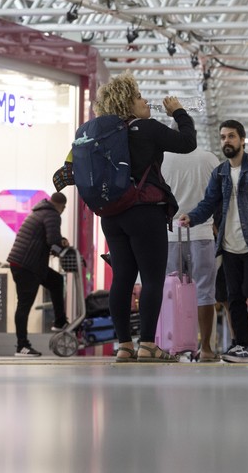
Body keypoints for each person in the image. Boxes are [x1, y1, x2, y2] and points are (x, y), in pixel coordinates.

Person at [92, 73, 197, 363]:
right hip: (144, 212)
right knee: (152, 279)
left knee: (122, 279)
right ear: (128, 103)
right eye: (139, 97)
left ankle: (124, 345)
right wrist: (178, 111)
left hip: (112, 215)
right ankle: (148, 344)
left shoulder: (104, 134)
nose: (145, 101)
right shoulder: (147, 128)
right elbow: (188, 142)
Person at [180, 120, 248, 364]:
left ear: (242, 140)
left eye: (231, 136)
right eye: (222, 137)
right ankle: (243, 347)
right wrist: (193, 217)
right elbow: (208, 203)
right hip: (229, 245)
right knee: (234, 296)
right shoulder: (219, 172)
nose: (226, 141)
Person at [161, 141, 221, 362]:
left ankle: (171, 347)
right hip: (202, 234)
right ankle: (205, 349)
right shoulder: (210, 159)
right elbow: (218, 197)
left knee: (170, 292)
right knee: (205, 291)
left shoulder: (162, 159)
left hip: (169, 236)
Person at [7, 192, 70, 357]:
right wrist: (63, 248)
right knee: (24, 305)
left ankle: (60, 321)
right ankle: (22, 346)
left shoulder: (40, 211)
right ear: (61, 205)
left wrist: (59, 243)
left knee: (56, 280)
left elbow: (50, 238)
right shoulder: (52, 215)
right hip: (27, 266)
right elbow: (53, 240)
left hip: (27, 264)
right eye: (64, 208)